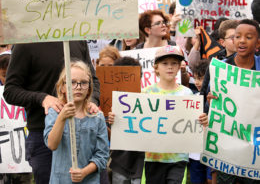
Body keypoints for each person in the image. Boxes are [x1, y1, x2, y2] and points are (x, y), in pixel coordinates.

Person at [4, 41, 100, 184]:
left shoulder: (77, 38)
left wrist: (92, 101)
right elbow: (10, 90)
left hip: (83, 131)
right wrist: (42, 98)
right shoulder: (26, 43)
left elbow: (92, 79)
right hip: (43, 136)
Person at [143, 45, 208, 184]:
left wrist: (202, 121)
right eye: (165, 63)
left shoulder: (187, 94)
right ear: (156, 67)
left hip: (178, 158)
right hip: (152, 157)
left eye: (174, 63)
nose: (170, 67)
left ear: (179, 67)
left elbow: (194, 125)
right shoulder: (146, 93)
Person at [207, 19, 260, 184]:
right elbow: (209, 102)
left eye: (248, 37)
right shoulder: (220, 69)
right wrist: (211, 102)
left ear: (258, 43)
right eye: (237, 36)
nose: (242, 40)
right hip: (226, 149)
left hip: (254, 151)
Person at [44, 60, 109, 184]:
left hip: (89, 180)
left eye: (84, 83)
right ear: (62, 87)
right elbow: (52, 144)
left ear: (89, 88)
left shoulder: (97, 117)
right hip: (61, 180)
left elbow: (102, 155)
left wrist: (84, 172)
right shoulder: (55, 113)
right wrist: (62, 118)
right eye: (72, 82)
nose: (78, 87)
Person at [108, 56, 144, 184]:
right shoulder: (109, 102)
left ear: (139, 78)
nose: (126, 83)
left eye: (130, 79)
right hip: (120, 163)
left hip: (141, 164)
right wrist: (110, 121)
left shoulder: (148, 101)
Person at [0, 53, 32, 184]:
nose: (7, 80)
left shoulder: (27, 92)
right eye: (3, 75)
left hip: (23, 158)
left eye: (10, 75)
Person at [189, 59, 213, 184]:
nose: (197, 82)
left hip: (211, 151)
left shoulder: (216, 101)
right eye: (195, 78)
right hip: (195, 154)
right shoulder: (191, 99)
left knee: (211, 180)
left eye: (202, 78)